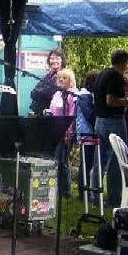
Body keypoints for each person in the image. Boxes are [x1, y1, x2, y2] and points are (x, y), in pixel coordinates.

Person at [93, 49, 128, 207]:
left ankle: (95, 195)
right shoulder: (115, 76)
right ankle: (114, 197)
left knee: (100, 160)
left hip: (100, 120)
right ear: (124, 62)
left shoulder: (103, 73)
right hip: (113, 120)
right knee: (116, 159)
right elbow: (111, 100)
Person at [48, 68, 79, 198]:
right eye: (60, 78)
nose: (61, 80)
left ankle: (65, 190)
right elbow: (52, 109)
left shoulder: (73, 95)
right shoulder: (57, 94)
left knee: (62, 160)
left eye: (64, 78)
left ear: (70, 81)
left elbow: (72, 115)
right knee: (55, 160)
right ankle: (55, 189)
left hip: (65, 132)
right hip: (54, 130)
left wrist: (69, 133)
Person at [75, 70, 98, 198]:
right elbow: (90, 115)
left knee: (91, 163)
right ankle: (83, 192)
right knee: (86, 164)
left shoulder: (90, 96)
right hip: (86, 134)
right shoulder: (84, 96)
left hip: (91, 133)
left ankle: (89, 190)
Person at [29, 48, 67, 116]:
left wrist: (40, 92)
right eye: (52, 58)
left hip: (53, 114)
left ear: (62, 60)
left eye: (57, 58)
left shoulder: (64, 76)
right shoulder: (47, 75)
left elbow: (49, 93)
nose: (54, 61)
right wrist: (40, 93)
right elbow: (33, 94)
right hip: (39, 113)